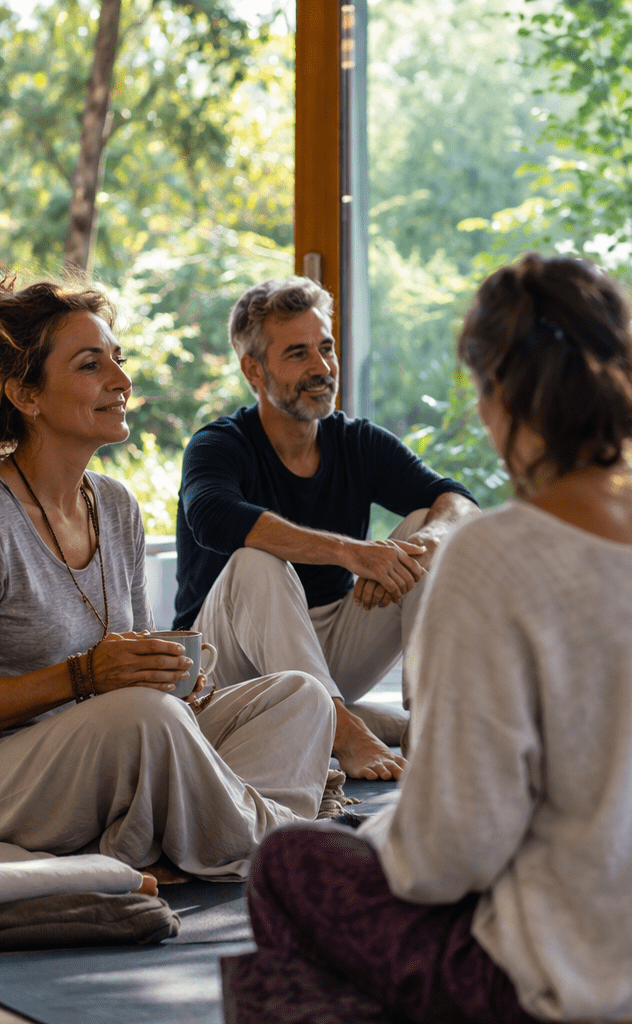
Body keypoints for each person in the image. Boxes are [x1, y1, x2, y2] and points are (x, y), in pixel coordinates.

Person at [226, 254, 632, 1024]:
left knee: (289, 864)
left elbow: (450, 858)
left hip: (614, 973)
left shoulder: (493, 554)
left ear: (497, 397)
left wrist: (387, 832)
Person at [0, 276, 336, 883]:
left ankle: (182, 838)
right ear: (26, 394)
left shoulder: (115, 506)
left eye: (118, 359)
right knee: (145, 720)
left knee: (300, 699)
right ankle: (276, 841)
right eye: (90, 365)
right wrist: (82, 678)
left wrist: (173, 680)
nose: (122, 381)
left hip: (103, 754)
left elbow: (133, 674)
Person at [174, 278, 479, 781]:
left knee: (429, 528)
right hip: (222, 668)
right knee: (255, 560)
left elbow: (459, 500)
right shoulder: (219, 445)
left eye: (327, 347)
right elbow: (212, 516)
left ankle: (427, 723)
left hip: (328, 652)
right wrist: (352, 553)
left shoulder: (356, 442)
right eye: (298, 354)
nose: (322, 367)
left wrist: (423, 544)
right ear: (254, 370)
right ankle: (344, 730)